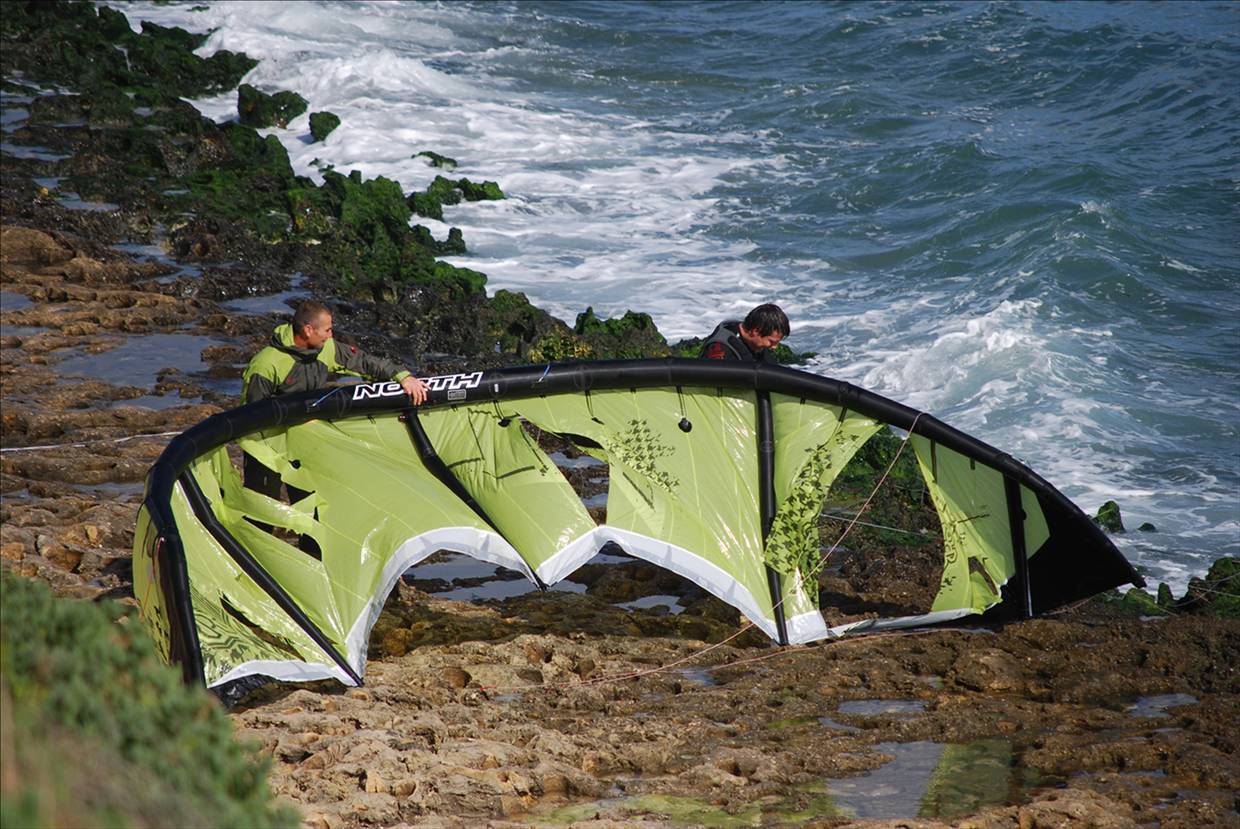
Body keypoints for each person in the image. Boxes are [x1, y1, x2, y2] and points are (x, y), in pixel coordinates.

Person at [241, 300, 428, 506]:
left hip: (304, 443)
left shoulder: (326, 349)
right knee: (262, 512)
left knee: (312, 510)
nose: (331, 335)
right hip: (267, 448)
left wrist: (402, 376)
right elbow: (251, 416)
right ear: (308, 330)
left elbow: (365, 362)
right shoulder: (267, 364)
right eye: (328, 330)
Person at [700, 303, 790, 361]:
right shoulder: (721, 349)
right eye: (771, 341)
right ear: (756, 331)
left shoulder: (757, 344)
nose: (775, 347)